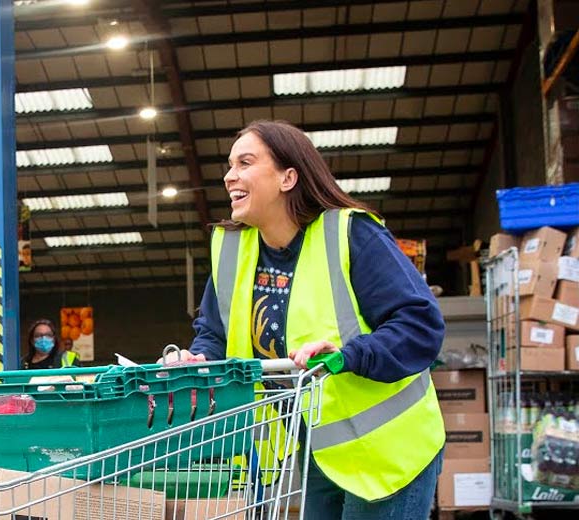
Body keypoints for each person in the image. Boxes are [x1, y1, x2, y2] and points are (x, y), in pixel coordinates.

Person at [165, 120, 446, 519]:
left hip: (388, 453)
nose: (230, 176)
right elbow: (214, 332)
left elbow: (420, 324)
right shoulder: (231, 250)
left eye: (245, 163)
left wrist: (349, 354)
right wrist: (198, 357)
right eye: (229, 165)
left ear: (288, 177)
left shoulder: (349, 233)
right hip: (318, 450)